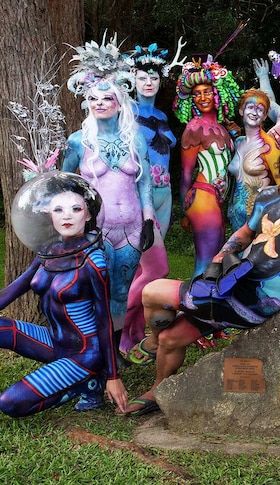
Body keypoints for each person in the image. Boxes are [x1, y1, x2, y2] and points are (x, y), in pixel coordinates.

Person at [124, 133, 280, 416]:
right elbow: (247, 231)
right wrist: (223, 252)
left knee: (153, 292)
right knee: (171, 338)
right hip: (233, 281)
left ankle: (151, 341)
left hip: (260, 301)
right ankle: (158, 388)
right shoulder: (268, 196)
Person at [0, 172, 127, 416]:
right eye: (58, 209)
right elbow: (13, 290)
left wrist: (113, 376)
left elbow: (104, 319)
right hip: (52, 340)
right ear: (50, 215)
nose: (67, 215)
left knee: (9, 403)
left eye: (75, 209)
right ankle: (84, 382)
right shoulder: (49, 252)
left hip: (82, 354)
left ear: (88, 214)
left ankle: (87, 383)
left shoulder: (94, 261)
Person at [63, 35, 156, 352]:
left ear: (119, 102)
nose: (100, 103)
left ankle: (112, 352)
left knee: (120, 292)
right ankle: (89, 349)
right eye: (94, 99)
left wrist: (148, 220)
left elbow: (144, 181)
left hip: (130, 230)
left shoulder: (135, 138)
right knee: (93, 291)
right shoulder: (78, 141)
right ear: (87, 102)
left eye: (107, 98)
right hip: (96, 232)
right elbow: (66, 185)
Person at [123, 41, 183, 362]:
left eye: (155, 77)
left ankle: (131, 333)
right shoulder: (125, 112)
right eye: (143, 76)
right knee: (153, 267)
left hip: (165, 195)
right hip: (140, 196)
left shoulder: (161, 114)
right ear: (132, 77)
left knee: (142, 270)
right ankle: (115, 327)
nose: (149, 82)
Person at [174, 57, 243, 277]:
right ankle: (192, 306)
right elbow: (185, 175)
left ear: (218, 93)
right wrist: (185, 212)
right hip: (203, 198)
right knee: (206, 263)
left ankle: (203, 308)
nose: (202, 97)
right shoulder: (194, 128)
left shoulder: (223, 127)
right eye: (196, 94)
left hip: (218, 202)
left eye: (207, 91)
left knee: (217, 262)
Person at [227, 88, 280, 231]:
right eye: (250, 107)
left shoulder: (269, 146)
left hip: (258, 218)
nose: (254, 112)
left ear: (264, 116)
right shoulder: (239, 142)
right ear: (241, 111)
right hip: (236, 217)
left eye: (260, 109)